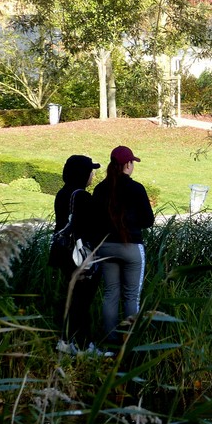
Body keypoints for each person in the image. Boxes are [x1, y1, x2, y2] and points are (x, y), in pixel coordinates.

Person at [91, 145, 155, 342]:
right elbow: (148, 221)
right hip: (131, 247)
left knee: (110, 293)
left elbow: (95, 221)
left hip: (106, 247)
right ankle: (130, 342)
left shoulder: (100, 189)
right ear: (127, 165)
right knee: (131, 297)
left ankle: (109, 342)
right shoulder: (136, 188)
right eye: (132, 163)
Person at [51, 154, 101, 350]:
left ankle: (66, 341)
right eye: (91, 171)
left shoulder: (62, 193)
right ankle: (83, 345)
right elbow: (90, 225)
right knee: (82, 300)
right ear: (83, 173)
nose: (93, 175)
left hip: (63, 252)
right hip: (78, 254)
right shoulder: (81, 196)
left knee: (72, 298)